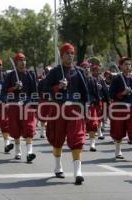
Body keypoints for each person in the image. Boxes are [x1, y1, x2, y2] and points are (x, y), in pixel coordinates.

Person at [45, 43, 88, 184]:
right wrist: (58, 87)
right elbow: (45, 90)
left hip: (75, 110)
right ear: (62, 56)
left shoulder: (78, 71)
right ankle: (58, 167)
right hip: (58, 108)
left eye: (72, 53)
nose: (70, 56)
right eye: (67, 53)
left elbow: (84, 92)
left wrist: (85, 109)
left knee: (76, 138)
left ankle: (78, 172)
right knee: (58, 137)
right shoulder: (55, 72)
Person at [109, 57, 132, 162]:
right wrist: (122, 93)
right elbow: (111, 94)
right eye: (125, 64)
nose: (128, 66)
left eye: (129, 64)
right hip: (119, 109)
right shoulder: (116, 79)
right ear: (120, 66)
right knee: (118, 130)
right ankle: (118, 151)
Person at [3, 52, 38, 163]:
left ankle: (29, 152)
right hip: (14, 104)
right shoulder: (10, 75)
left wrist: (35, 104)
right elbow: (4, 90)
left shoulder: (31, 75)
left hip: (27, 104)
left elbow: (34, 91)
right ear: (16, 62)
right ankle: (18, 151)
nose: (23, 62)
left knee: (29, 127)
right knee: (15, 127)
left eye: (24, 60)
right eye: (20, 60)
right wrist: (14, 87)